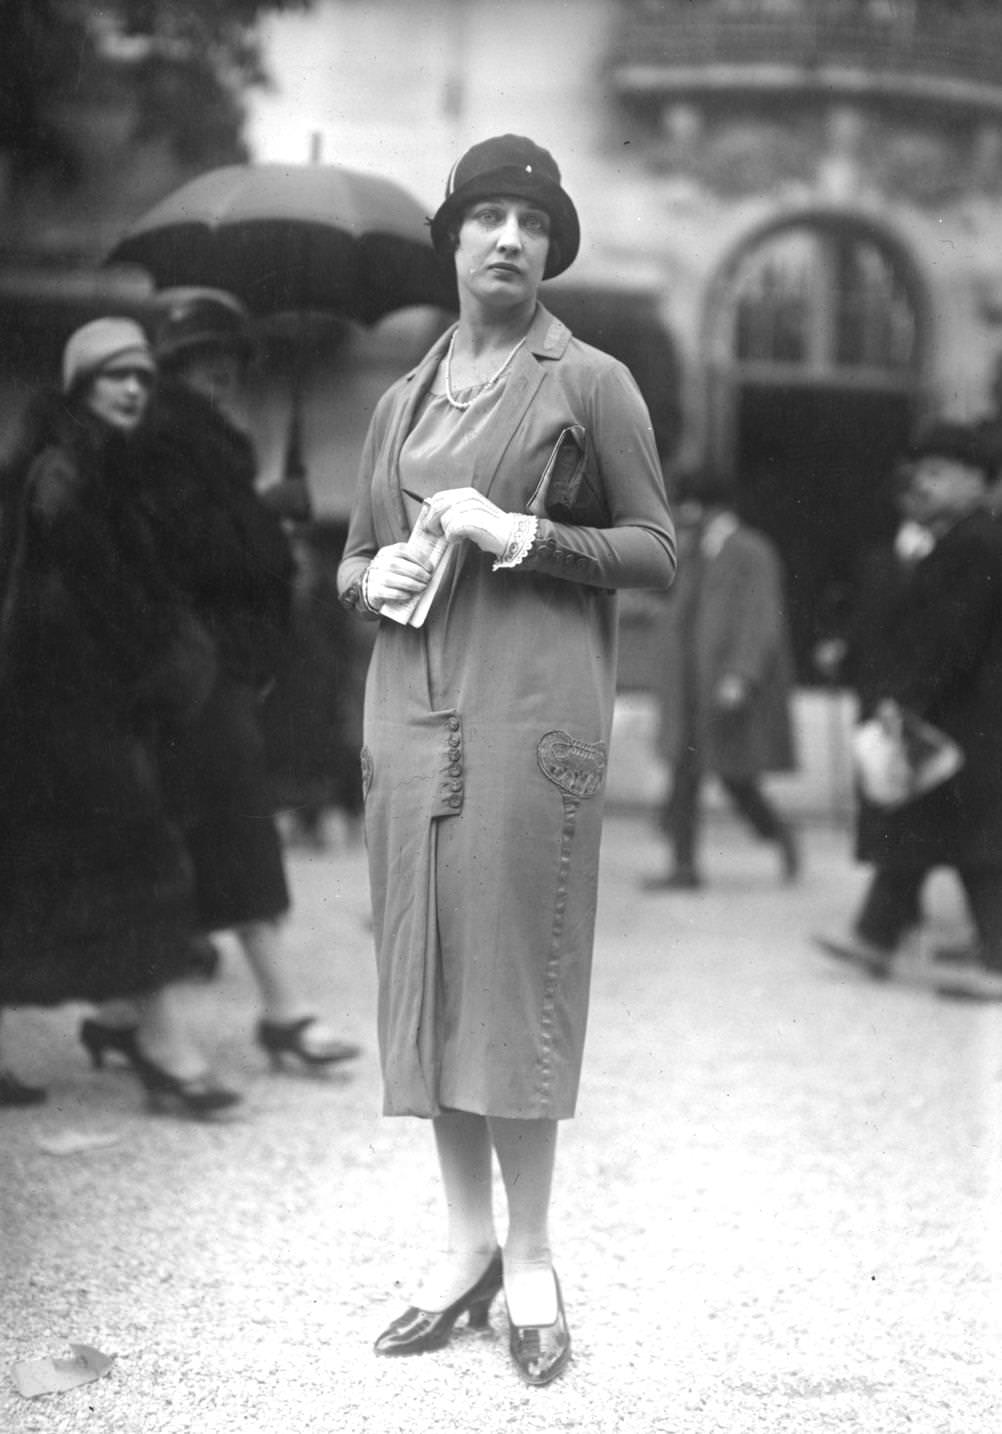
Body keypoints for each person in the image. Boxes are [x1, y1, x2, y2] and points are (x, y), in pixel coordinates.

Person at [337, 134, 676, 1386]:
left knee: (515, 982)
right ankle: (464, 1247)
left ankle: (531, 1255)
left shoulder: (591, 383)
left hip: (531, 715)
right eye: (486, 217)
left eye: (531, 223)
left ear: (551, 247)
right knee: (428, 976)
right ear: (455, 239)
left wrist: (523, 531)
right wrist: (379, 571)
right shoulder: (401, 400)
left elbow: (655, 551)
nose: (508, 240)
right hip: (407, 710)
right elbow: (352, 562)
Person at [86, 290, 360, 1072]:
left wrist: (256, 508)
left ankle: (117, 1012)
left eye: (228, 361)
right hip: (191, 670)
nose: (218, 374)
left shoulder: (207, 443)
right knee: (234, 824)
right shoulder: (164, 442)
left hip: (210, 669)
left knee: (183, 834)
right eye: (199, 361)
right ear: (172, 369)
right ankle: (281, 1012)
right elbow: (195, 554)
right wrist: (267, 519)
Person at [0, 318, 238, 1117]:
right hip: (59, 714)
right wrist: (169, 662)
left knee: (43, 877)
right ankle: (162, 1047)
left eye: (141, 375)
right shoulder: (67, 475)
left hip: (84, 710)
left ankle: (133, 1028)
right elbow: (100, 602)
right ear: (80, 387)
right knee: (137, 861)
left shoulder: (109, 469)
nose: (134, 387)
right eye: (114, 376)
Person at [817, 422, 1002, 999]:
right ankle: (875, 935)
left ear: (978, 481)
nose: (924, 483)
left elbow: (953, 639)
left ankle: (990, 962)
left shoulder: (976, 544)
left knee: (976, 844)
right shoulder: (959, 538)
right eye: (920, 472)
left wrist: (907, 699)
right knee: (930, 831)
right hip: (956, 714)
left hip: (969, 714)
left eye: (939, 473)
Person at [643, 469, 798, 891]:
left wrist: (742, 675)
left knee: (735, 776)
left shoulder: (750, 550)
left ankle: (778, 833)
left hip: (721, 680)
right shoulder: (695, 549)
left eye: (687, 505)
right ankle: (684, 866)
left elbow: (761, 617)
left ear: (707, 506)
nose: (680, 514)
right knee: (684, 773)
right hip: (690, 683)